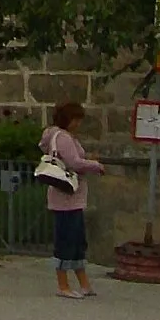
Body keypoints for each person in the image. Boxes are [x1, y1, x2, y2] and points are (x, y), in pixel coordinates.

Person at [41, 97, 106, 297]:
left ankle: (84, 283)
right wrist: (95, 165)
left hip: (70, 198)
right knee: (67, 242)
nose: (78, 123)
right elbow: (74, 162)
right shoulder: (63, 138)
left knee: (77, 242)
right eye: (75, 119)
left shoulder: (56, 136)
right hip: (66, 199)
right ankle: (63, 285)